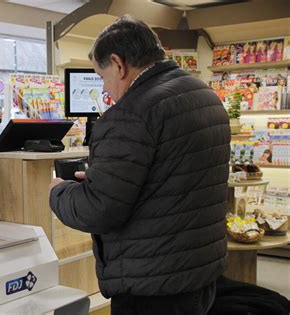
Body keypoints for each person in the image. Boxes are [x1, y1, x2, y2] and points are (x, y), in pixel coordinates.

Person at [49, 16, 230, 315]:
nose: (106, 88)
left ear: (118, 64)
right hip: (198, 273)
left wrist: (59, 192)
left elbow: (99, 210)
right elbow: (168, 178)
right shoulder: (203, 95)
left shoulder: (130, 113)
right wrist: (105, 178)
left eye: (102, 76)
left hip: (151, 283)